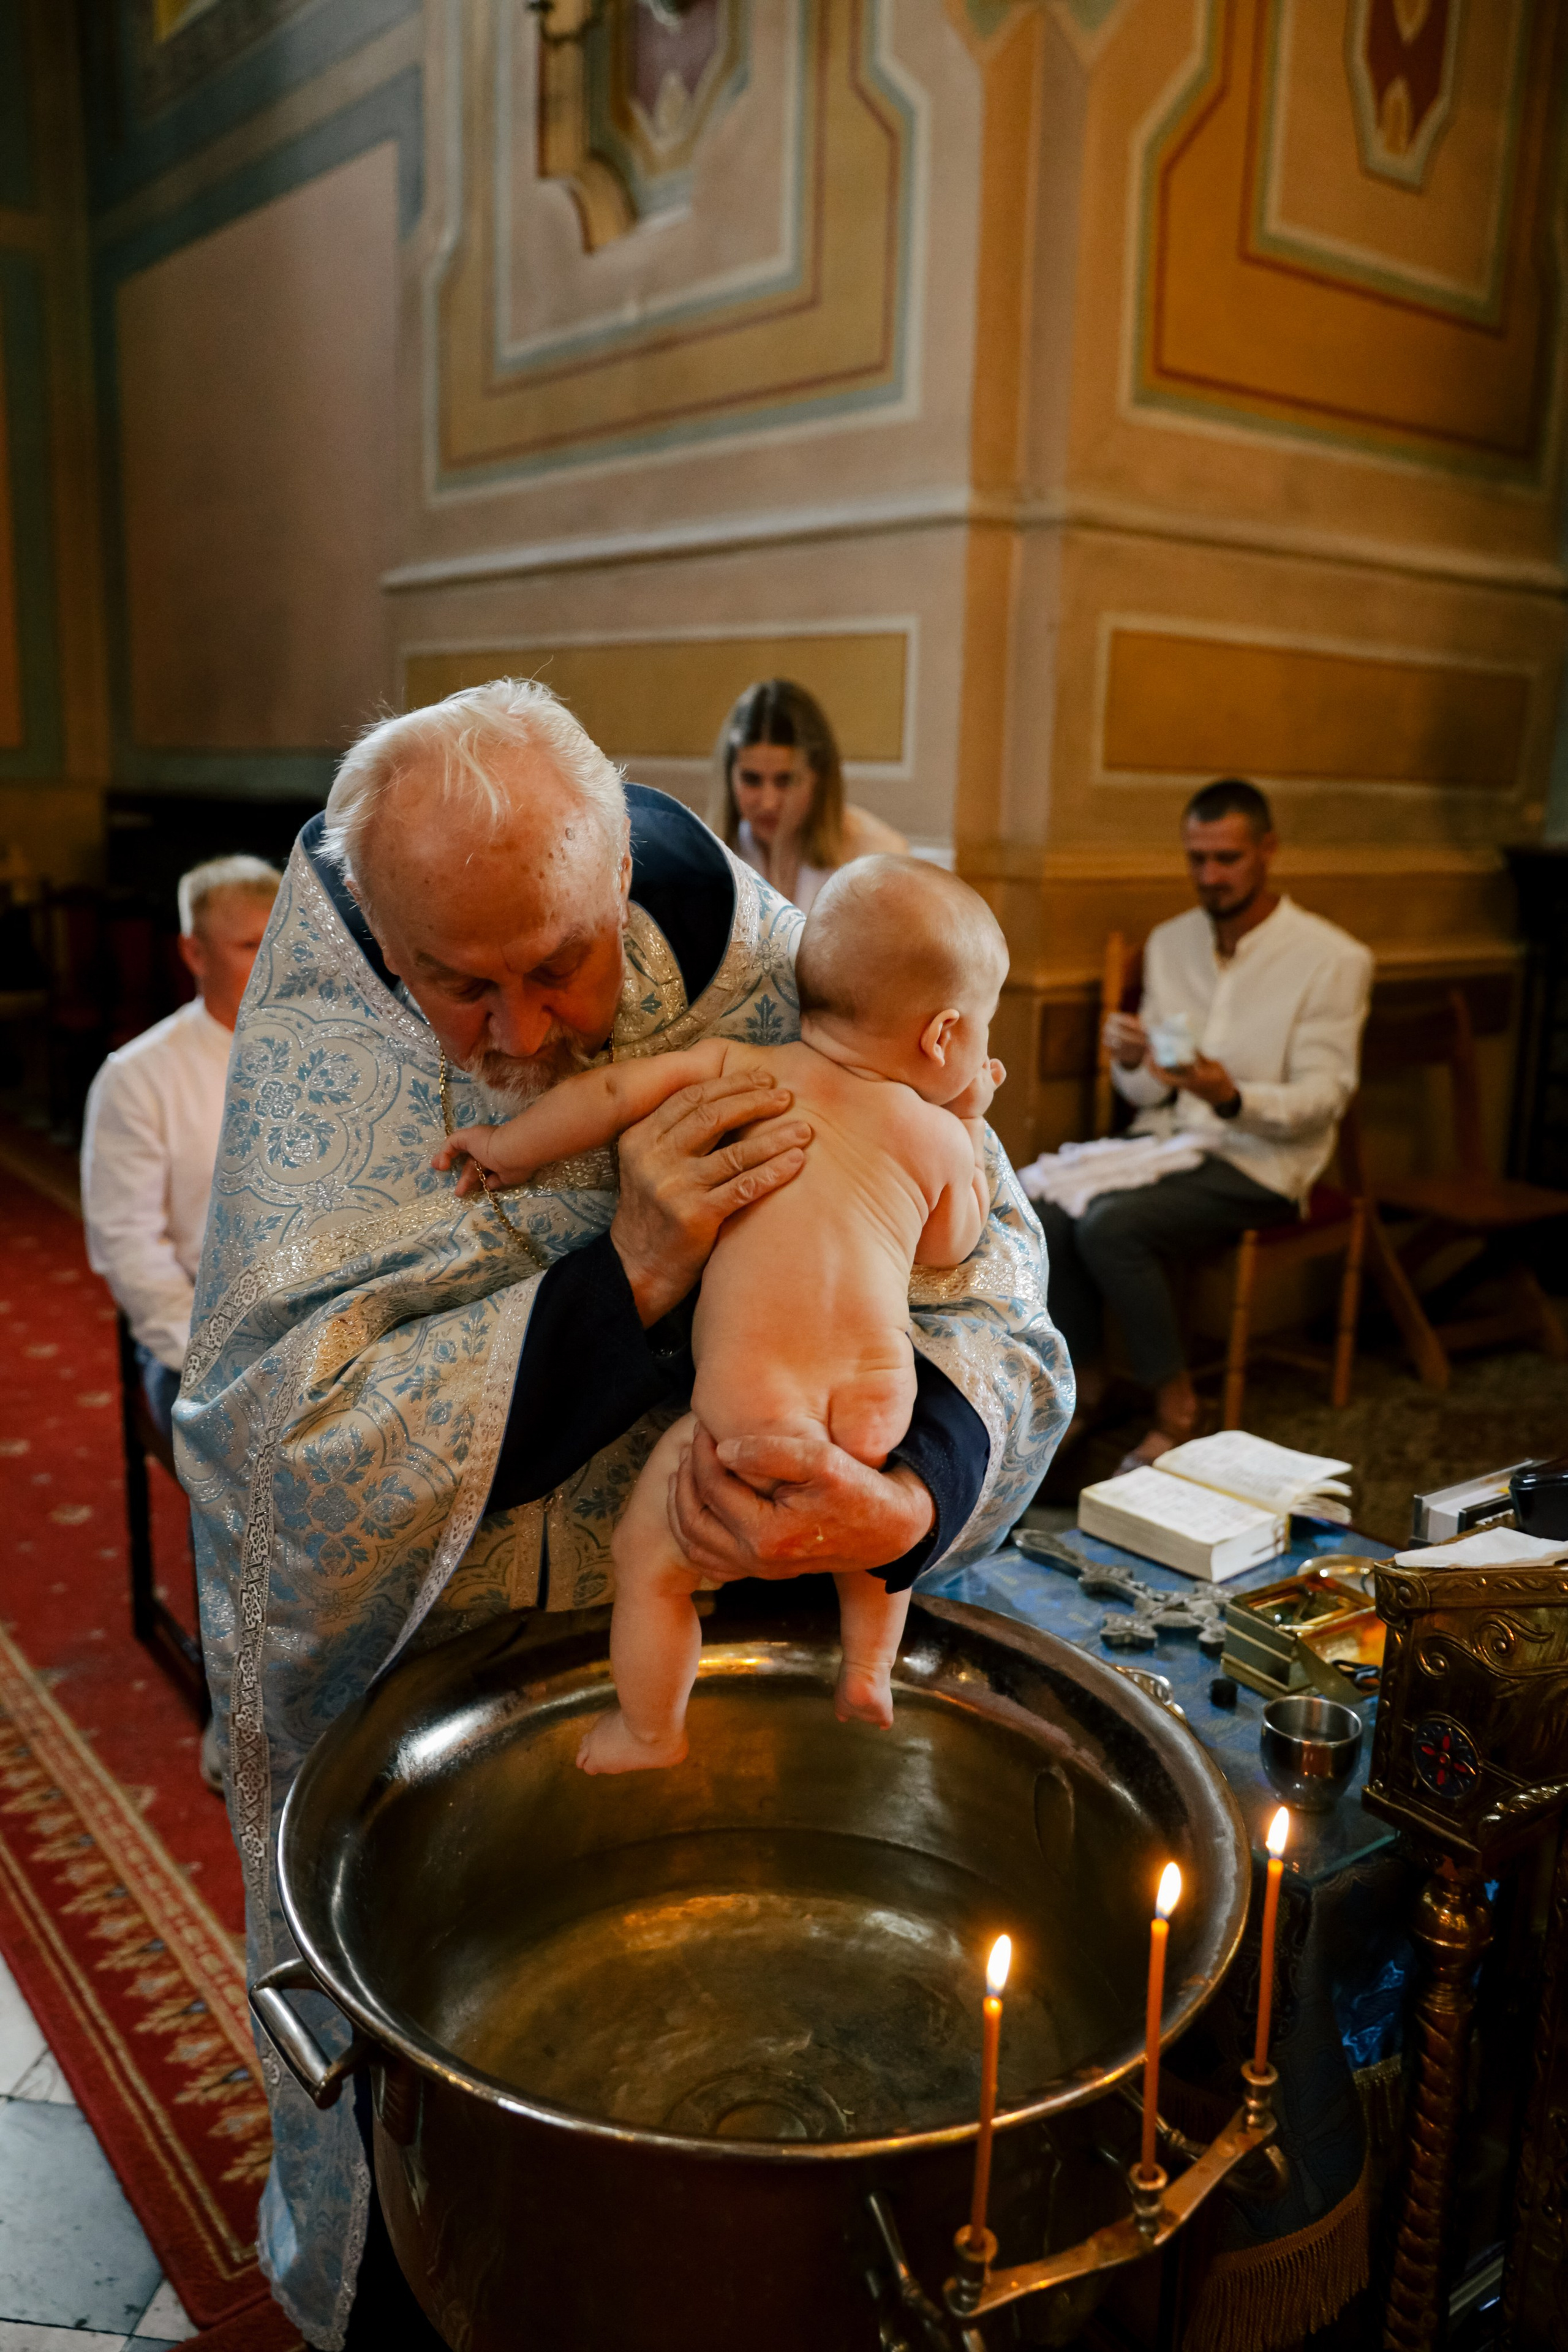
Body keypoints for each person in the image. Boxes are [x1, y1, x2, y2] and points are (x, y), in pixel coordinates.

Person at [176, 679, 1068, 2352]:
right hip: (431, 1731)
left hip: (731, 1696)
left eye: (558, 967)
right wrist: (625, 1282)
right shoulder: (326, 1032)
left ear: (612, 882)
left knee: (732, 2140)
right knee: (451, 2234)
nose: (520, 1035)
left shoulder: (754, 960)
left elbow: (998, 1292)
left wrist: (902, 1490)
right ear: (387, 930)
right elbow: (266, 1456)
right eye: (463, 985)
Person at [437, 856, 1008, 1772]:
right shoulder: (936, 1134)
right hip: (876, 1406)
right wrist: (969, 1125)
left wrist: (507, 1145)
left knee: (649, 1559)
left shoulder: (744, 1069)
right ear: (944, 1038)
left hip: (740, 1414)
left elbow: (613, 1097)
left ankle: (651, 1730)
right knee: (875, 1519)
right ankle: (868, 1668)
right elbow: (951, 1247)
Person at [1036, 778, 1372, 1466]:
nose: (1209, 876)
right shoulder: (1171, 943)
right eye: (1197, 859)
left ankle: (1176, 1406)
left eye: (1227, 859)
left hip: (1262, 1158)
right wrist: (1131, 1059)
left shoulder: (1332, 959)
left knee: (1111, 1225)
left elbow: (1324, 1096)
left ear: (1267, 851)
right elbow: (1150, 1084)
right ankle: (1091, 1383)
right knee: (1044, 1205)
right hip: (1167, 1137)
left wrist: (1232, 1096)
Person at [81, 854, 282, 1439]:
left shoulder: (329, 1054)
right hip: (198, 1339)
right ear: (194, 953)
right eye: (250, 945)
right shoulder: (138, 1075)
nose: (275, 963)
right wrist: (208, 1357)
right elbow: (129, 1245)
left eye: (283, 939)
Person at [714, 677, 907, 911]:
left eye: (786, 781)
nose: (768, 803)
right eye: (752, 780)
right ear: (730, 777)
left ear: (819, 778)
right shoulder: (708, 856)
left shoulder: (876, 858)